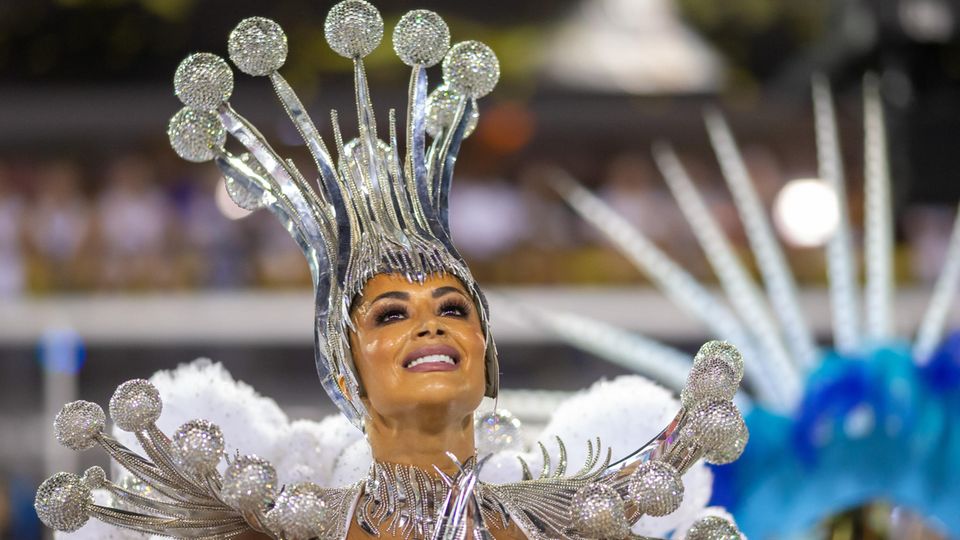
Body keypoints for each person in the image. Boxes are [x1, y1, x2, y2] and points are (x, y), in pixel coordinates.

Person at [35, 3, 747, 539]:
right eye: (390, 314)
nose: (431, 323)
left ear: (487, 357)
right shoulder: (281, 523)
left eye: (453, 308)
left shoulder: (568, 519)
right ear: (344, 372)